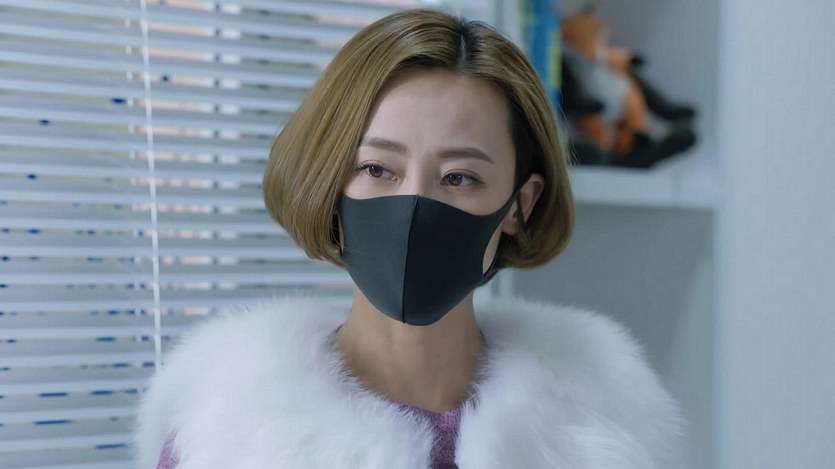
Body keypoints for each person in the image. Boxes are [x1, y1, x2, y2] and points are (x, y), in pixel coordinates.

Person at [134, 8, 683, 469]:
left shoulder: (605, 437)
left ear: (521, 204)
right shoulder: (223, 438)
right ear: (330, 180)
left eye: (459, 177)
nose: (415, 206)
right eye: (377, 169)